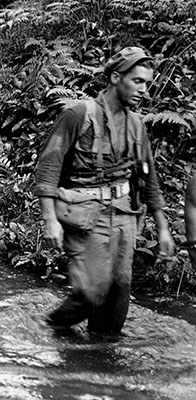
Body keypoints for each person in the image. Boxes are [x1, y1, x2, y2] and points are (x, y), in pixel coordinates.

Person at [35, 46, 174, 335]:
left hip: (124, 216)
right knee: (91, 293)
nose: (143, 90)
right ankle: (48, 330)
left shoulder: (136, 125)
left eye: (147, 83)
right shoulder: (78, 115)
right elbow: (48, 167)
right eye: (137, 81)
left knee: (118, 295)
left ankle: (99, 359)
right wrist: (49, 219)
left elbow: (150, 180)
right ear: (114, 78)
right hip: (84, 215)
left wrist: (163, 229)